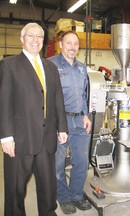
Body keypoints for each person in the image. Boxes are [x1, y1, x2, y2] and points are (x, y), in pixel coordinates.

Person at [0, 23, 68, 216]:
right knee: (16, 188)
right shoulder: (9, 65)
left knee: (48, 187)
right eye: (31, 36)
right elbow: (3, 102)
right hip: (20, 141)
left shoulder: (50, 67)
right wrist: (6, 137)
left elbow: (57, 100)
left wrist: (62, 127)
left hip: (46, 140)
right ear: (22, 39)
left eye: (39, 36)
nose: (35, 40)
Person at [49, 31, 92, 214]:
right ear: (61, 44)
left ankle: (76, 195)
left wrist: (86, 115)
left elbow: (84, 95)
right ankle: (64, 197)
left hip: (79, 120)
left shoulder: (82, 68)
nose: (72, 47)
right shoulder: (50, 64)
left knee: (82, 161)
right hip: (61, 120)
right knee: (58, 163)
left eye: (75, 44)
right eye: (68, 43)